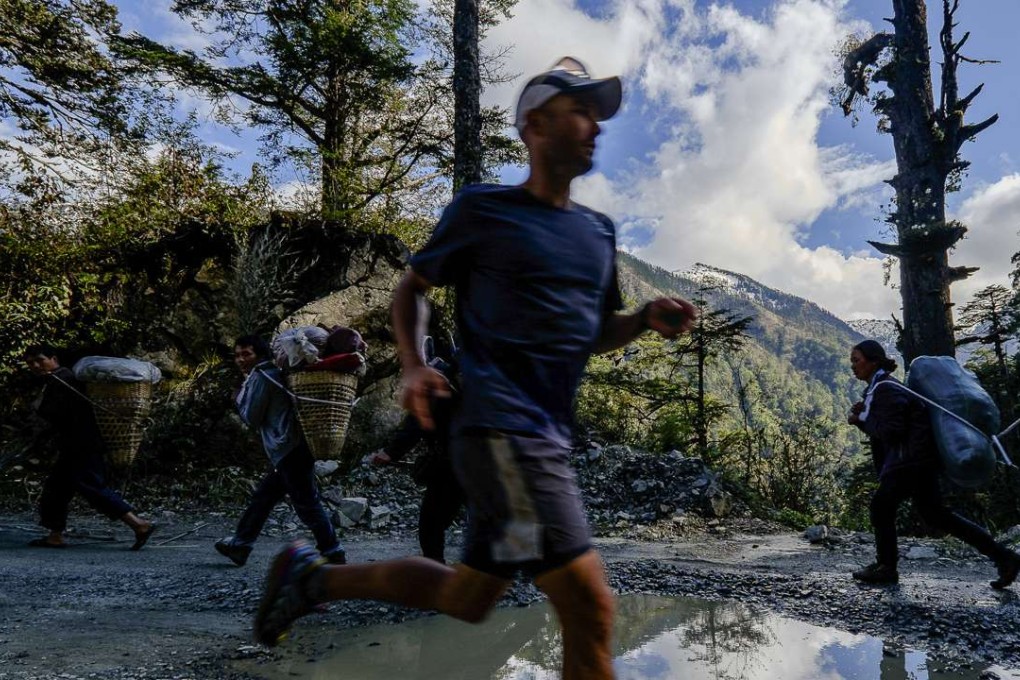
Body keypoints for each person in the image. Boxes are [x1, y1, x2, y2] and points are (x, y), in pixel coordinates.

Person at [253, 56, 698, 680]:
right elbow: (412, 290)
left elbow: (595, 333)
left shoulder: (598, 233)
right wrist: (413, 365)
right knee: (590, 607)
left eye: (598, 116)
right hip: (501, 433)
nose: (595, 126)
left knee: (470, 596)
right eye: (581, 112)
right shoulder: (484, 211)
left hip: (545, 437)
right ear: (536, 125)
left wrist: (644, 315)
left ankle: (313, 579)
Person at [847, 339, 1020, 588]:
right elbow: (892, 423)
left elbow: (892, 431)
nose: (853, 367)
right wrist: (867, 415)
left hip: (909, 462)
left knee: (881, 507)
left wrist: (858, 420)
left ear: (873, 361)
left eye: (856, 360)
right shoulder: (882, 387)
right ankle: (1004, 557)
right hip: (920, 461)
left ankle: (886, 567)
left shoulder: (886, 388)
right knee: (937, 515)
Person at [213, 335, 346, 567]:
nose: (240, 359)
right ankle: (241, 545)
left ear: (260, 355)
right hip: (292, 447)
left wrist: (237, 400)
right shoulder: (271, 373)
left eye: (247, 354)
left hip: (289, 448)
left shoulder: (263, 376)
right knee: (264, 497)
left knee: (306, 502)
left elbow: (252, 418)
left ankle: (333, 550)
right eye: (237, 355)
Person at [22, 344, 156, 550]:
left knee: (91, 486)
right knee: (56, 489)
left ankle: (139, 524)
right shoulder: (58, 379)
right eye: (31, 363)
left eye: (40, 360)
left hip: (82, 443)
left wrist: (37, 414)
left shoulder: (63, 379)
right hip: (74, 444)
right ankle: (54, 536)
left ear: (54, 358)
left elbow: (55, 413)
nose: (36, 365)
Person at [369, 335, 464, 563]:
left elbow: (417, 423)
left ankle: (436, 573)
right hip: (488, 464)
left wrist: (391, 452)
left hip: (453, 465)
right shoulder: (494, 383)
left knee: (431, 523)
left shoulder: (440, 382)